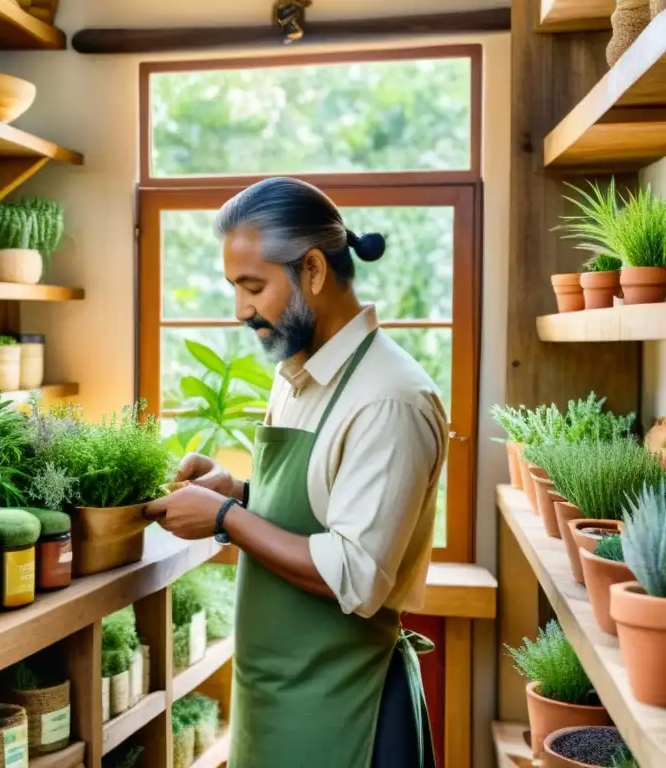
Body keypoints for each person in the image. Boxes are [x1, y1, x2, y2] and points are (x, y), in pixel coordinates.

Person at [145, 177, 448, 768]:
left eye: (253, 286)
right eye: (234, 288)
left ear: (312, 270)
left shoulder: (389, 397)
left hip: (343, 714)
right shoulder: (299, 376)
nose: (241, 311)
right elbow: (318, 510)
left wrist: (227, 518)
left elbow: (355, 575)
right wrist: (237, 490)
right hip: (274, 704)